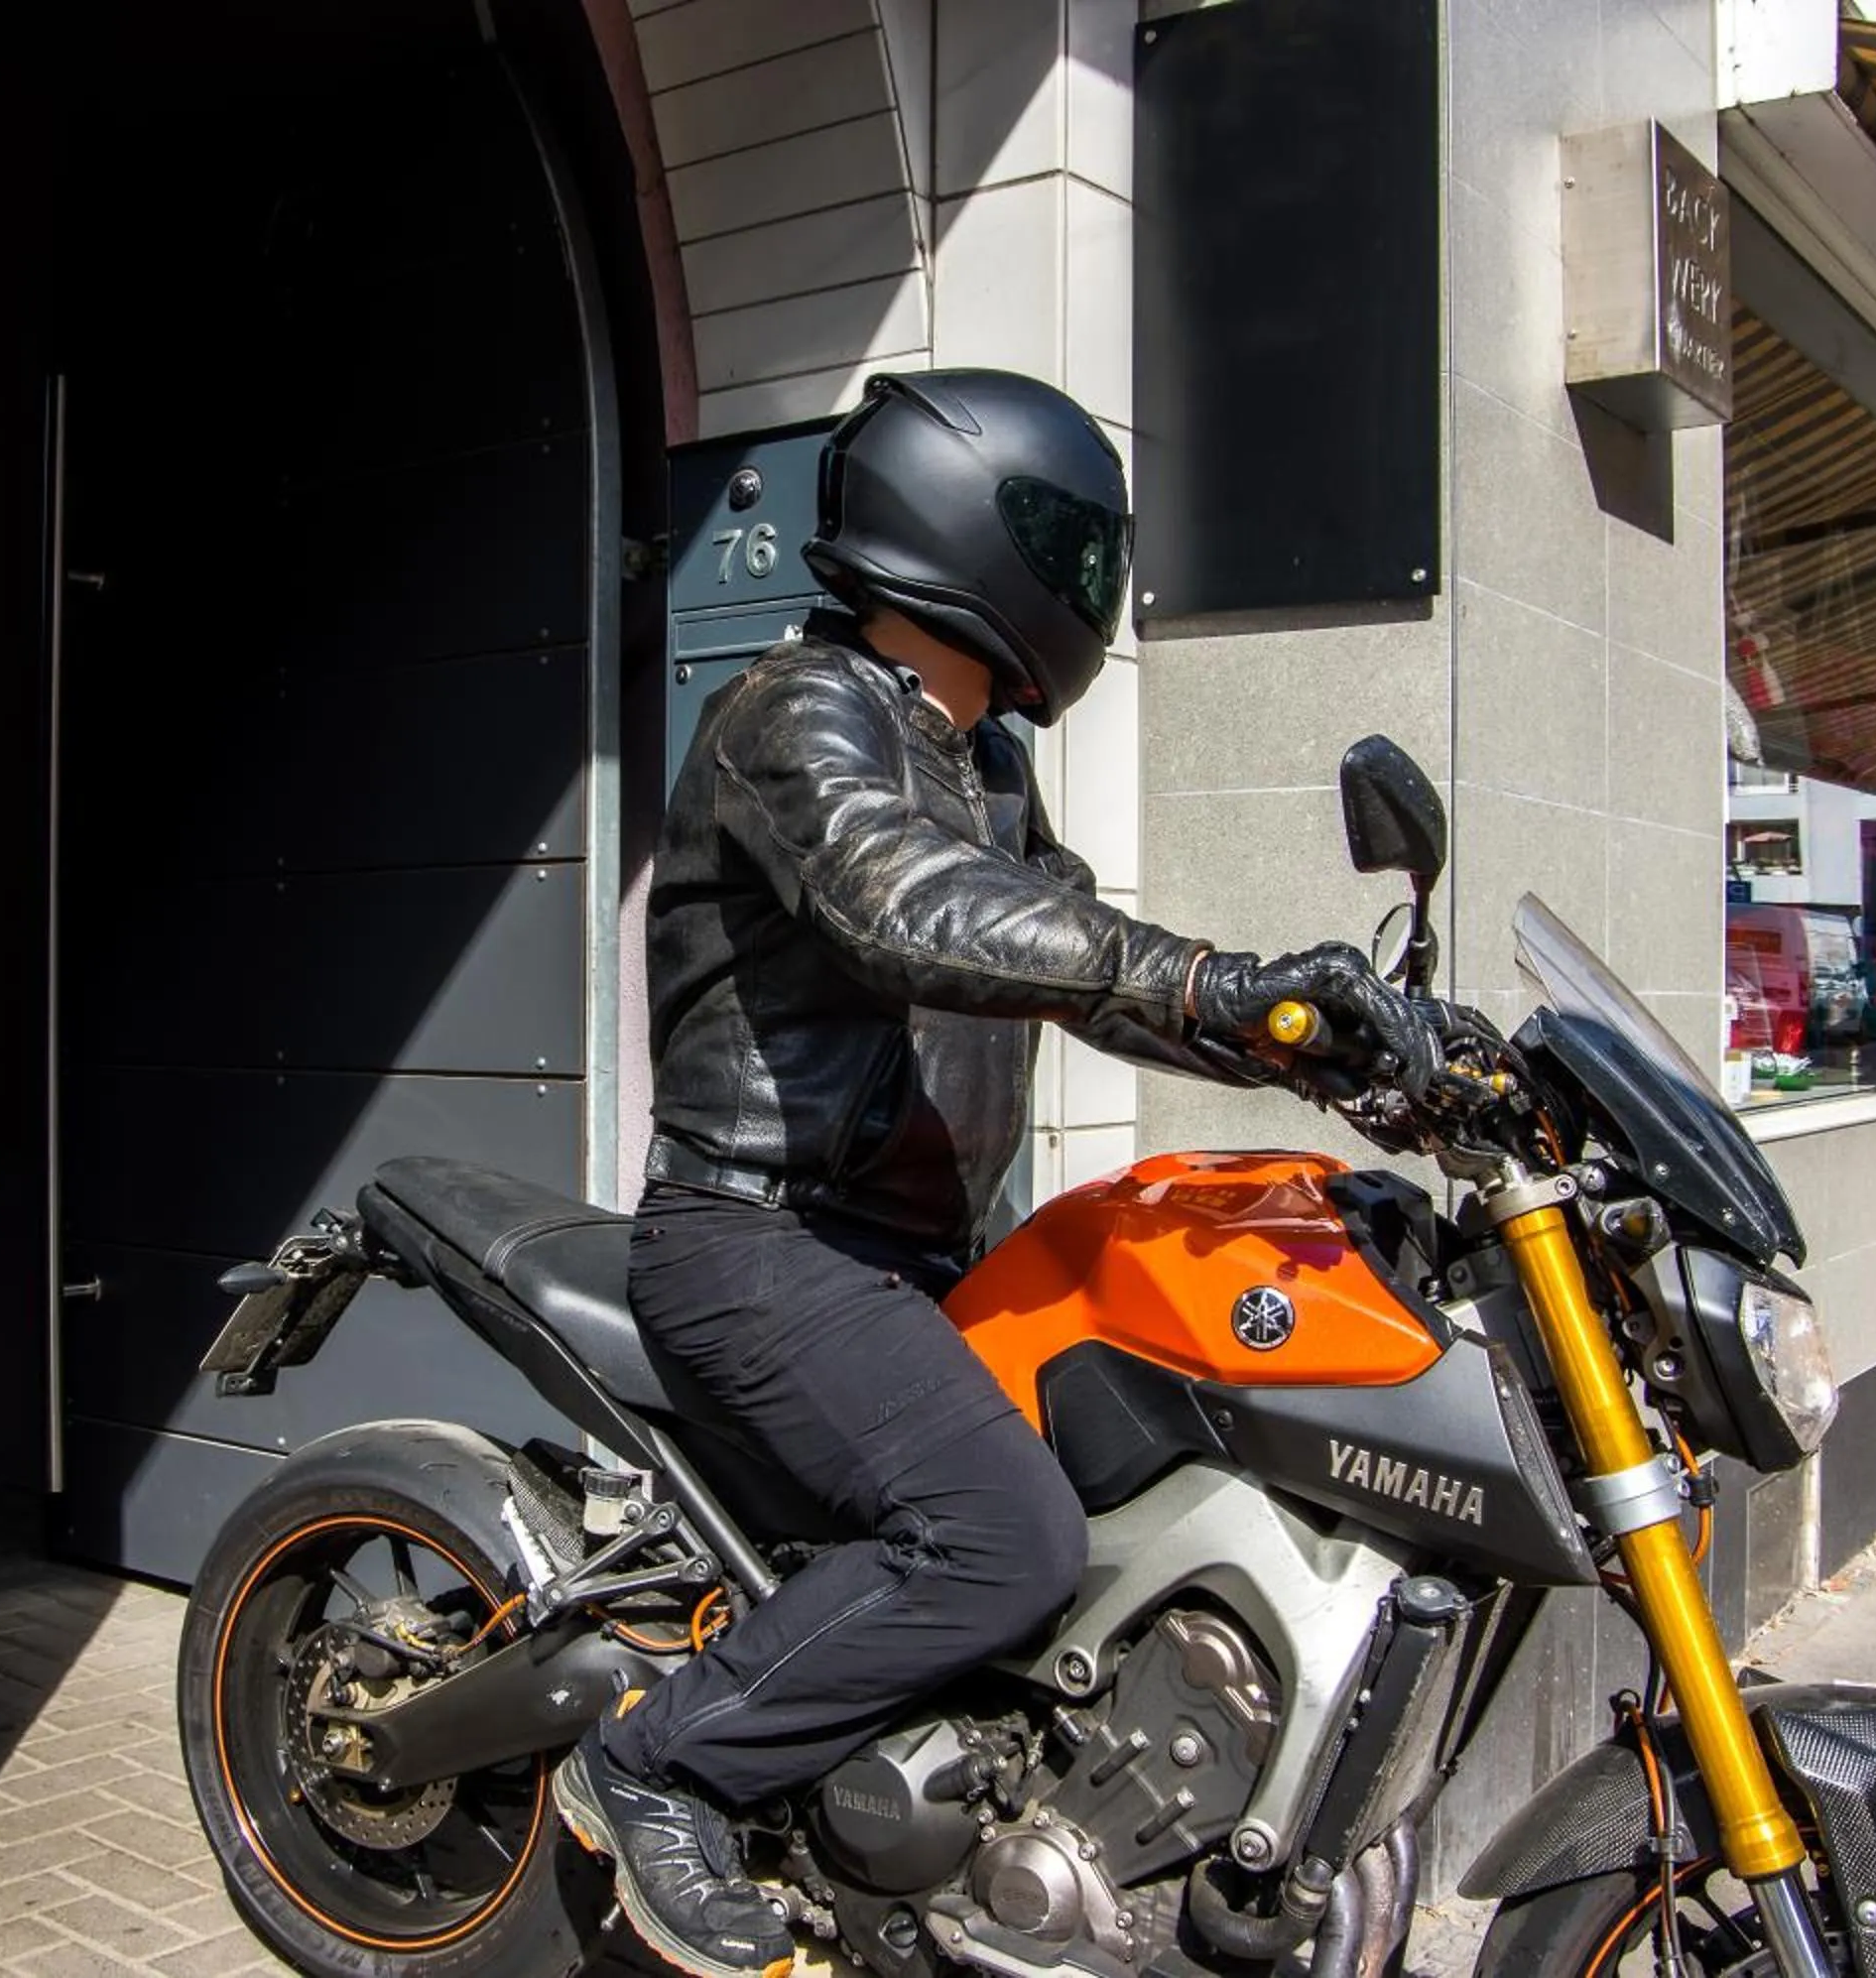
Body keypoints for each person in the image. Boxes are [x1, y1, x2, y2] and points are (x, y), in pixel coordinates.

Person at [548, 368, 1448, 1978]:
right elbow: (910, 907)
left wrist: (1323, 1047)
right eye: (1074, 543)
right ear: (974, 526)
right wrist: (1214, 982)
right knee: (1005, 1535)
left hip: (907, 1263)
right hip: (761, 1244)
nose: (1093, 583)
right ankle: (653, 1759)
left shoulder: (986, 768)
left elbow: (1085, 962)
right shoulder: (795, 711)